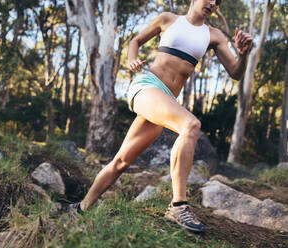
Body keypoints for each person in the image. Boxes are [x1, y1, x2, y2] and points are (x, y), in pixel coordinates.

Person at [69, 0, 253, 233]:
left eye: (218, 2)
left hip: (166, 99)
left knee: (121, 161)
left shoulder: (214, 35)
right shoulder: (168, 19)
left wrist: (244, 54)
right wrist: (131, 59)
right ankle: (178, 204)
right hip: (147, 86)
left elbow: (236, 72)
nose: (213, 3)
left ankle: (81, 207)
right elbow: (135, 42)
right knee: (191, 125)